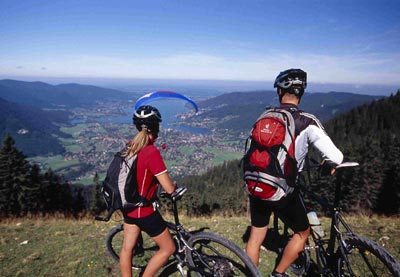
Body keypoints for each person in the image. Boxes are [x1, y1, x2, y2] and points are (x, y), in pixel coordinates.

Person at [245, 68, 344, 277]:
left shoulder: (265, 115)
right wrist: (327, 163)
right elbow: (337, 157)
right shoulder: (306, 121)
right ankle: (278, 273)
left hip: (257, 185)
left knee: (255, 237)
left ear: (280, 92)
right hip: (283, 191)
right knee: (302, 232)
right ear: (302, 93)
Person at [119, 105, 176, 277]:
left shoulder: (130, 146)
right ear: (156, 127)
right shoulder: (151, 151)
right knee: (168, 248)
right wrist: (174, 188)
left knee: (127, 249)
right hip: (143, 211)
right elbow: (168, 188)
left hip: (127, 207)